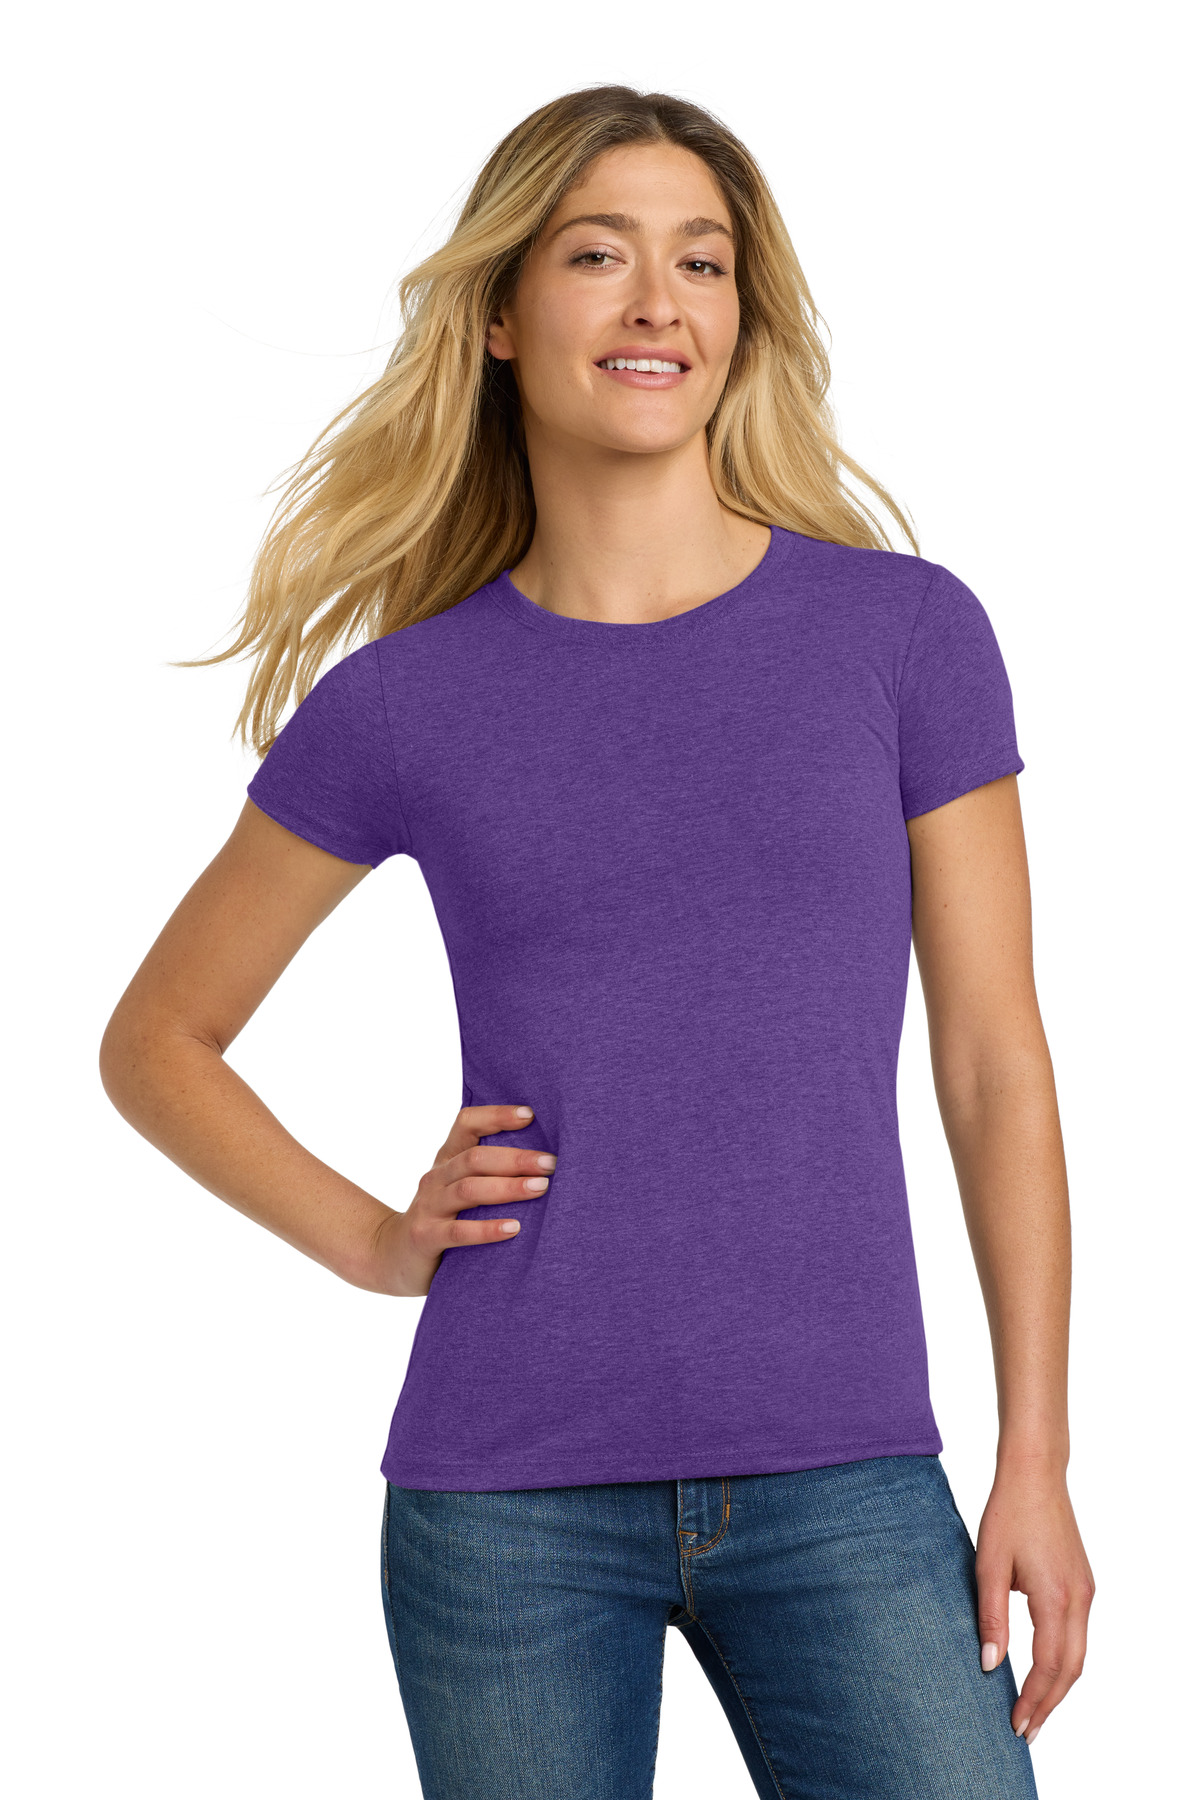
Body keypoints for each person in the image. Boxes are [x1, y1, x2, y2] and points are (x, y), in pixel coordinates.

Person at [100, 84, 1094, 1800]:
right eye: (596, 256)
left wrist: (1038, 1458)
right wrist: (375, 1242)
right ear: (500, 315)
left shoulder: (905, 636)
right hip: (507, 1505)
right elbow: (156, 1042)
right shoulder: (404, 700)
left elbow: (996, 1065)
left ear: (741, 317)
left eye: (700, 262)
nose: (658, 303)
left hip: (847, 1473)